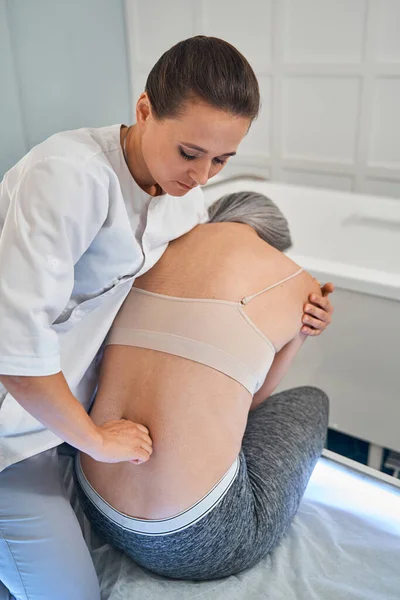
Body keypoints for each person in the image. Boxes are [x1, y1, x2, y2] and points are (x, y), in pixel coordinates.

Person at [0, 36, 333, 599]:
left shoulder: (187, 202)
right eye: (189, 152)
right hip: (13, 430)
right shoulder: (67, 177)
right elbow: (12, 350)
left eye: (222, 160)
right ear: (144, 110)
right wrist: (96, 441)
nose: (202, 175)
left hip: (67, 423)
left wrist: (302, 320)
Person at [76, 189, 330, 581]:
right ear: (274, 244)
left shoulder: (153, 250)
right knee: (313, 399)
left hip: (94, 498)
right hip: (198, 539)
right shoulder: (299, 283)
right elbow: (253, 401)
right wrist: (299, 334)